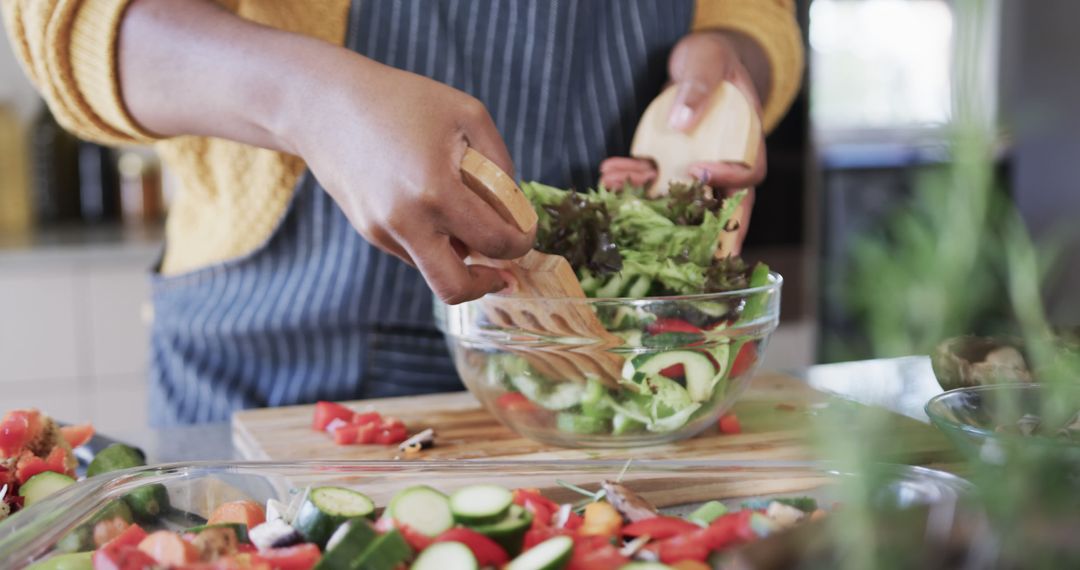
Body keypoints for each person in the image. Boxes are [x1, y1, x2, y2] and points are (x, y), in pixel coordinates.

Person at [2, 0, 803, 425]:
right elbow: (68, 19)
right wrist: (310, 100)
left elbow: (756, 11)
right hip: (278, 350)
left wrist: (730, 67)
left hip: (608, 369)